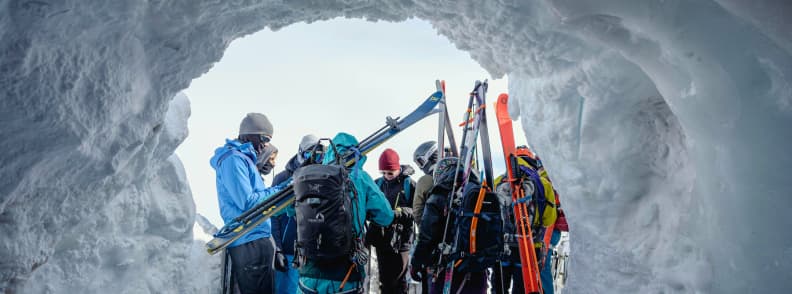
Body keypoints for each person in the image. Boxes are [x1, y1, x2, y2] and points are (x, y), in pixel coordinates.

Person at [296, 132, 408, 294]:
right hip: (345, 274)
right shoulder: (360, 178)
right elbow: (386, 217)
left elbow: (287, 210)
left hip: (309, 272)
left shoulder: (309, 176)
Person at [209, 113, 286, 294]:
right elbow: (248, 202)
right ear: (248, 134)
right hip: (249, 240)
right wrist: (282, 190)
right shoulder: (233, 159)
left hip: (256, 238)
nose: (266, 145)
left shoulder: (245, 160)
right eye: (264, 138)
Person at [410, 157, 488, 294]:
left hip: (448, 268)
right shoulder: (482, 194)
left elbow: (427, 235)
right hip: (478, 266)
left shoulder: (438, 196)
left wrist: (417, 262)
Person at [272, 134, 321, 294]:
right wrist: (277, 248)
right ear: (299, 153)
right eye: (308, 154)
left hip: (313, 254)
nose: (312, 159)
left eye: (318, 154)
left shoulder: (324, 180)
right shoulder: (283, 178)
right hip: (289, 252)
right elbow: (273, 216)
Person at [367, 148, 416, 294]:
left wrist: (399, 213)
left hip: (401, 242)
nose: (387, 176)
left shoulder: (409, 184)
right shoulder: (377, 184)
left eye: (390, 172)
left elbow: (417, 210)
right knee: (385, 282)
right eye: (383, 172)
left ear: (398, 168)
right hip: (382, 240)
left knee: (398, 282)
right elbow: (368, 206)